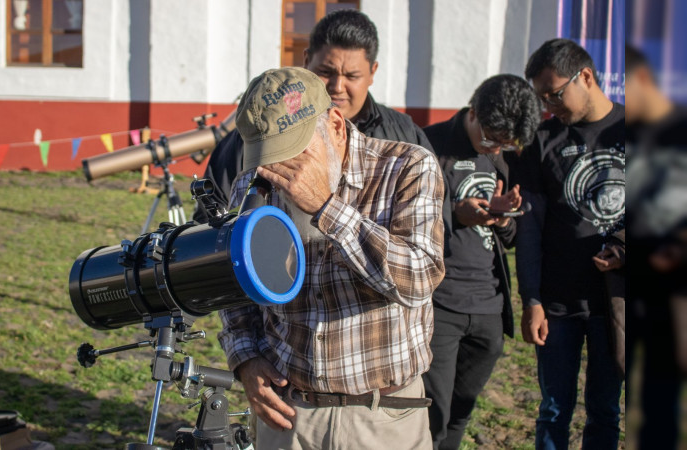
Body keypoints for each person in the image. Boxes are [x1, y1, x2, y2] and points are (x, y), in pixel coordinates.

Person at [217, 66, 445, 449]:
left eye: (294, 154)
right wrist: (245, 360)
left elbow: (419, 278)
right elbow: (235, 283)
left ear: (336, 125)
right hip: (289, 413)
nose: (280, 173)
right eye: (269, 159)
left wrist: (327, 206)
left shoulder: (408, 167)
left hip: (382, 415)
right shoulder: (252, 185)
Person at [193, 9, 433, 223]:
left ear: (373, 72)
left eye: (352, 76)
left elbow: (427, 242)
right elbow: (210, 222)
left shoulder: (405, 137)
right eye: (326, 72)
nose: (338, 86)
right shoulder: (260, 136)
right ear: (306, 61)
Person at [514, 38, 625, 449]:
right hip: (557, 305)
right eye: (541, 98)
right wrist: (531, 299)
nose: (549, 105)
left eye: (554, 94)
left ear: (587, 76)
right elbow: (529, 228)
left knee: (606, 410)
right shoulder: (544, 141)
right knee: (554, 409)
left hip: (614, 303)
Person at [421, 74, 541, 450]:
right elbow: (405, 220)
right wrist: (456, 214)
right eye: (491, 139)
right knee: (431, 415)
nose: (495, 149)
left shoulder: (500, 158)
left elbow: (506, 239)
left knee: (461, 411)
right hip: (440, 304)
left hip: (489, 305)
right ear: (473, 112)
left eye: (505, 145)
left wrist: (504, 218)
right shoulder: (429, 145)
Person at [625, 44, 687, 450]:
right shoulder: (622, 134)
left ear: (643, 79)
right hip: (623, 283)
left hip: (673, 289)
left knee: (662, 399)